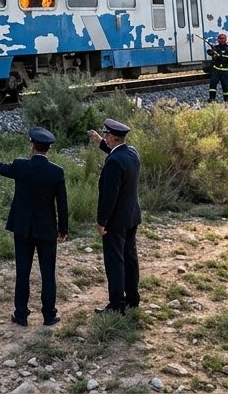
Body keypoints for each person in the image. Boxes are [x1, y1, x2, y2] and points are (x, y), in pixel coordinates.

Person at [0, 127, 70, 327]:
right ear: (48, 149)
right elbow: (62, 204)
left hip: (22, 229)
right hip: (47, 230)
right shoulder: (57, 172)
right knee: (48, 273)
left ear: (32, 146)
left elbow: (1, 168)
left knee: (23, 272)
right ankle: (49, 315)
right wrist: (63, 229)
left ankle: (21, 315)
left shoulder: (20, 166)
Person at [86, 118, 141, 313]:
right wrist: (100, 140)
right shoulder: (131, 153)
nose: (105, 137)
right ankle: (132, 298)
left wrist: (102, 221)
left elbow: (109, 196)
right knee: (130, 258)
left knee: (115, 261)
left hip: (115, 222)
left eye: (106, 135)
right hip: (132, 216)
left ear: (112, 137)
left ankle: (117, 304)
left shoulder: (113, 163)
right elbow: (116, 153)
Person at [206, 32, 228, 103]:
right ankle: (212, 99)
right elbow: (211, 53)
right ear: (218, 39)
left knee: (225, 86)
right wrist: (210, 52)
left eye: (223, 38)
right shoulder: (216, 48)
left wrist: (221, 56)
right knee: (212, 84)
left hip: (225, 71)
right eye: (220, 38)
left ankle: (227, 100)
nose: (222, 40)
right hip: (216, 70)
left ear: (226, 39)